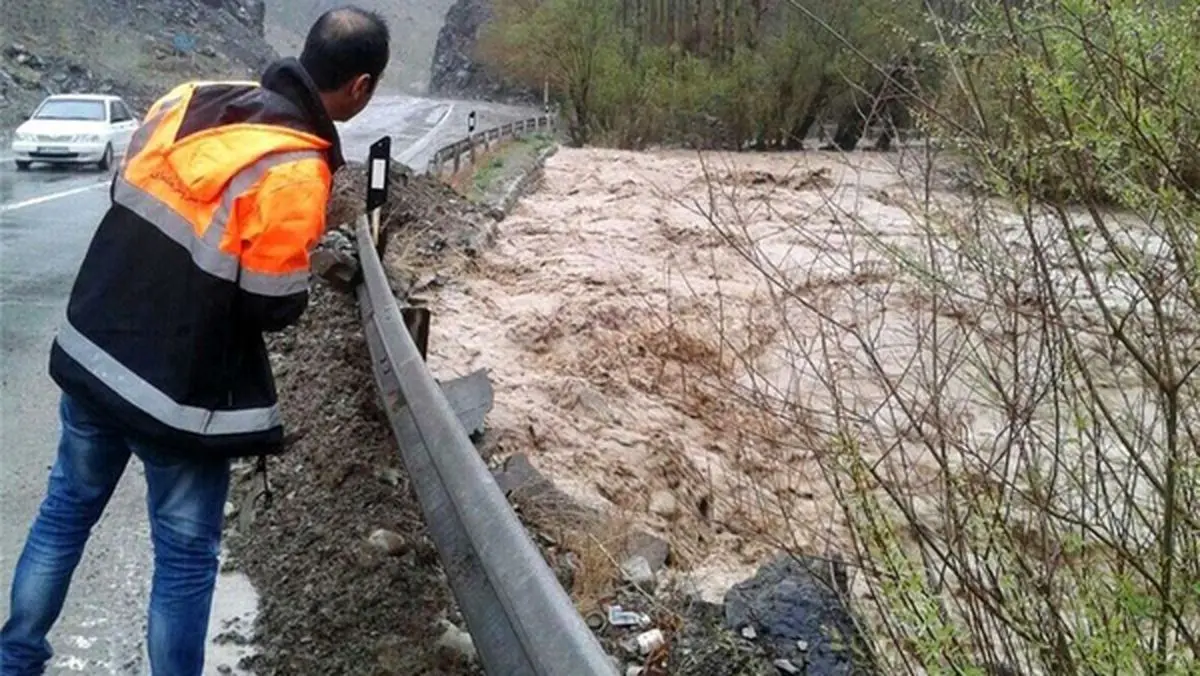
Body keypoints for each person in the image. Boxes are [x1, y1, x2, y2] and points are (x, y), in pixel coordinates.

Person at [0, 7, 390, 676]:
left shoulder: (190, 98)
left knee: (64, 515)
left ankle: (14, 658)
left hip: (95, 351)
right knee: (182, 559)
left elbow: (131, 197)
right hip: (176, 395)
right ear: (360, 86)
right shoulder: (297, 170)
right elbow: (272, 305)